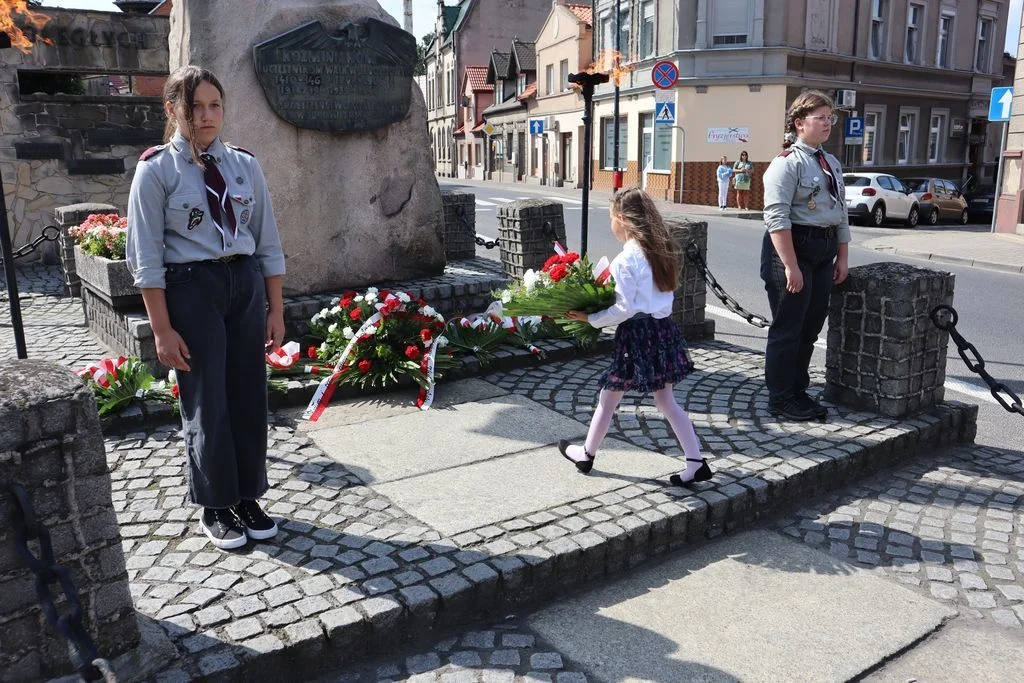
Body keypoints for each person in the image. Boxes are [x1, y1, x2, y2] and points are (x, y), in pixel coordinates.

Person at [127, 66, 287, 550]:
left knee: (247, 393)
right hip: (192, 288)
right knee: (207, 398)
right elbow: (147, 259)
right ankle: (215, 503)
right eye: (194, 106)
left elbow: (268, 243)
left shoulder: (244, 165)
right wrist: (160, 329)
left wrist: (275, 309)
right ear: (173, 110)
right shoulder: (156, 170)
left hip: (244, 283)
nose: (205, 116)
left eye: (214, 105)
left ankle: (246, 496)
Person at [559, 188, 711, 487]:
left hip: (638, 334)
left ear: (622, 219)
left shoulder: (627, 258)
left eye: (611, 219)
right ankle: (695, 461)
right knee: (665, 400)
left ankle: (587, 455)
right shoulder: (660, 250)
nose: (611, 226)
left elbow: (623, 308)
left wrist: (590, 318)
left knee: (610, 394)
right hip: (663, 329)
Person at [760, 90, 850, 422]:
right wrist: (790, 266)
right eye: (821, 118)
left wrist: (842, 257)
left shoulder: (831, 163)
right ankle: (781, 397)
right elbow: (776, 218)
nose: (828, 123)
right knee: (788, 328)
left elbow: (840, 213)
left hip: (823, 252)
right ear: (800, 123)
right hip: (792, 250)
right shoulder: (787, 163)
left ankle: (797, 389)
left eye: (831, 118)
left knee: (811, 328)